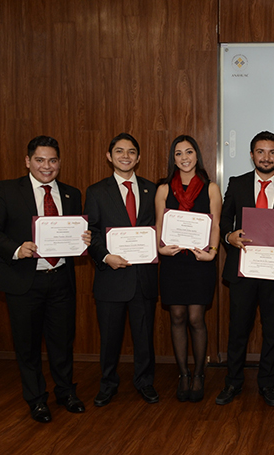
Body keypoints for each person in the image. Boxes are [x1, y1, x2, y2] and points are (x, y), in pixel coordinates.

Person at [0, 135, 89, 423]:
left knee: (62, 342)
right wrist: (17, 249)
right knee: (27, 346)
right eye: (40, 160)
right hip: (24, 281)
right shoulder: (8, 190)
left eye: (52, 160)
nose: (46, 166)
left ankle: (66, 392)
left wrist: (84, 239)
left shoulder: (71, 194)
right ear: (28, 161)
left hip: (61, 280)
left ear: (59, 163)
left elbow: (73, 234)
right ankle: (37, 400)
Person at [215, 131, 274, 407]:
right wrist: (230, 237)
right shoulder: (237, 184)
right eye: (260, 152)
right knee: (238, 329)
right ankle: (233, 383)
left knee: (272, 331)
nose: (266, 157)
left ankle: (267, 384)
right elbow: (225, 220)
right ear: (252, 155)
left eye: (272, 152)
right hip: (243, 268)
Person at [84, 132, 159, 406]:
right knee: (110, 338)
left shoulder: (152, 190)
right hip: (111, 276)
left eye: (130, 152)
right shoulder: (96, 191)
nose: (125, 156)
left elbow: (158, 229)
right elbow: (90, 231)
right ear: (109, 156)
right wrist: (105, 257)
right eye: (119, 151)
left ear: (138, 158)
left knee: (144, 337)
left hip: (143, 278)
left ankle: (144, 381)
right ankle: (107, 384)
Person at [155, 135, 221, 403]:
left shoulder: (210, 187)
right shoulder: (163, 189)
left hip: (200, 262)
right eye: (179, 153)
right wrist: (160, 248)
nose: (184, 158)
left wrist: (212, 253)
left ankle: (199, 374)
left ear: (197, 156)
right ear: (173, 159)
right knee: (177, 317)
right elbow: (159, 224)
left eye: (189, 152)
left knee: (196, 318)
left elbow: (215, 224)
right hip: (173, 261)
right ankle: (183, 373)